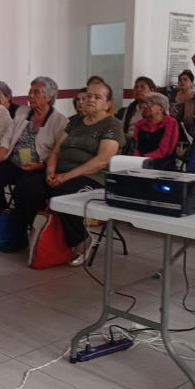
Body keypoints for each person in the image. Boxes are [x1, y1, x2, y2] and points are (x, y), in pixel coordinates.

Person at [45, 80, 125, 266]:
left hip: (94, 178)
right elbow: (56, 151)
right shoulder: (74, 122)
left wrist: (65, 176)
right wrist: (50, 172)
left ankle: (81, 240)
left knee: (63, 193)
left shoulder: (112, 125)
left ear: (108, 103)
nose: (90, 100)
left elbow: (102, 161)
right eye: (88, 95)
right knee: (28, 187)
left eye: (98, 97)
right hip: (62, 174)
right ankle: (41, 239)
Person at [0, 77, 68, 241]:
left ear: (49, 97)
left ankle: (26, 225)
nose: (30, 95)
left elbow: (59, 153)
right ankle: (1, 214)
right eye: (30, 91)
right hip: (15, 163)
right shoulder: (22, 112)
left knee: (27, 188)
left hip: (39, 167)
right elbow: (7, 140)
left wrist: (41, 165)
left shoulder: (59, 121)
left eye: (36, 92)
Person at [132, 92, 179, 169]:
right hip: (140, 162)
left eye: (150, 103)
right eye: (144, 103)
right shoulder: (140, 124)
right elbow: (135, 147)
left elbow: (165, 150)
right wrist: (138, 160)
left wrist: (144, 159)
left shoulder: (171, 122)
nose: (145, 106)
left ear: (161, 108)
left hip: (162, 163)